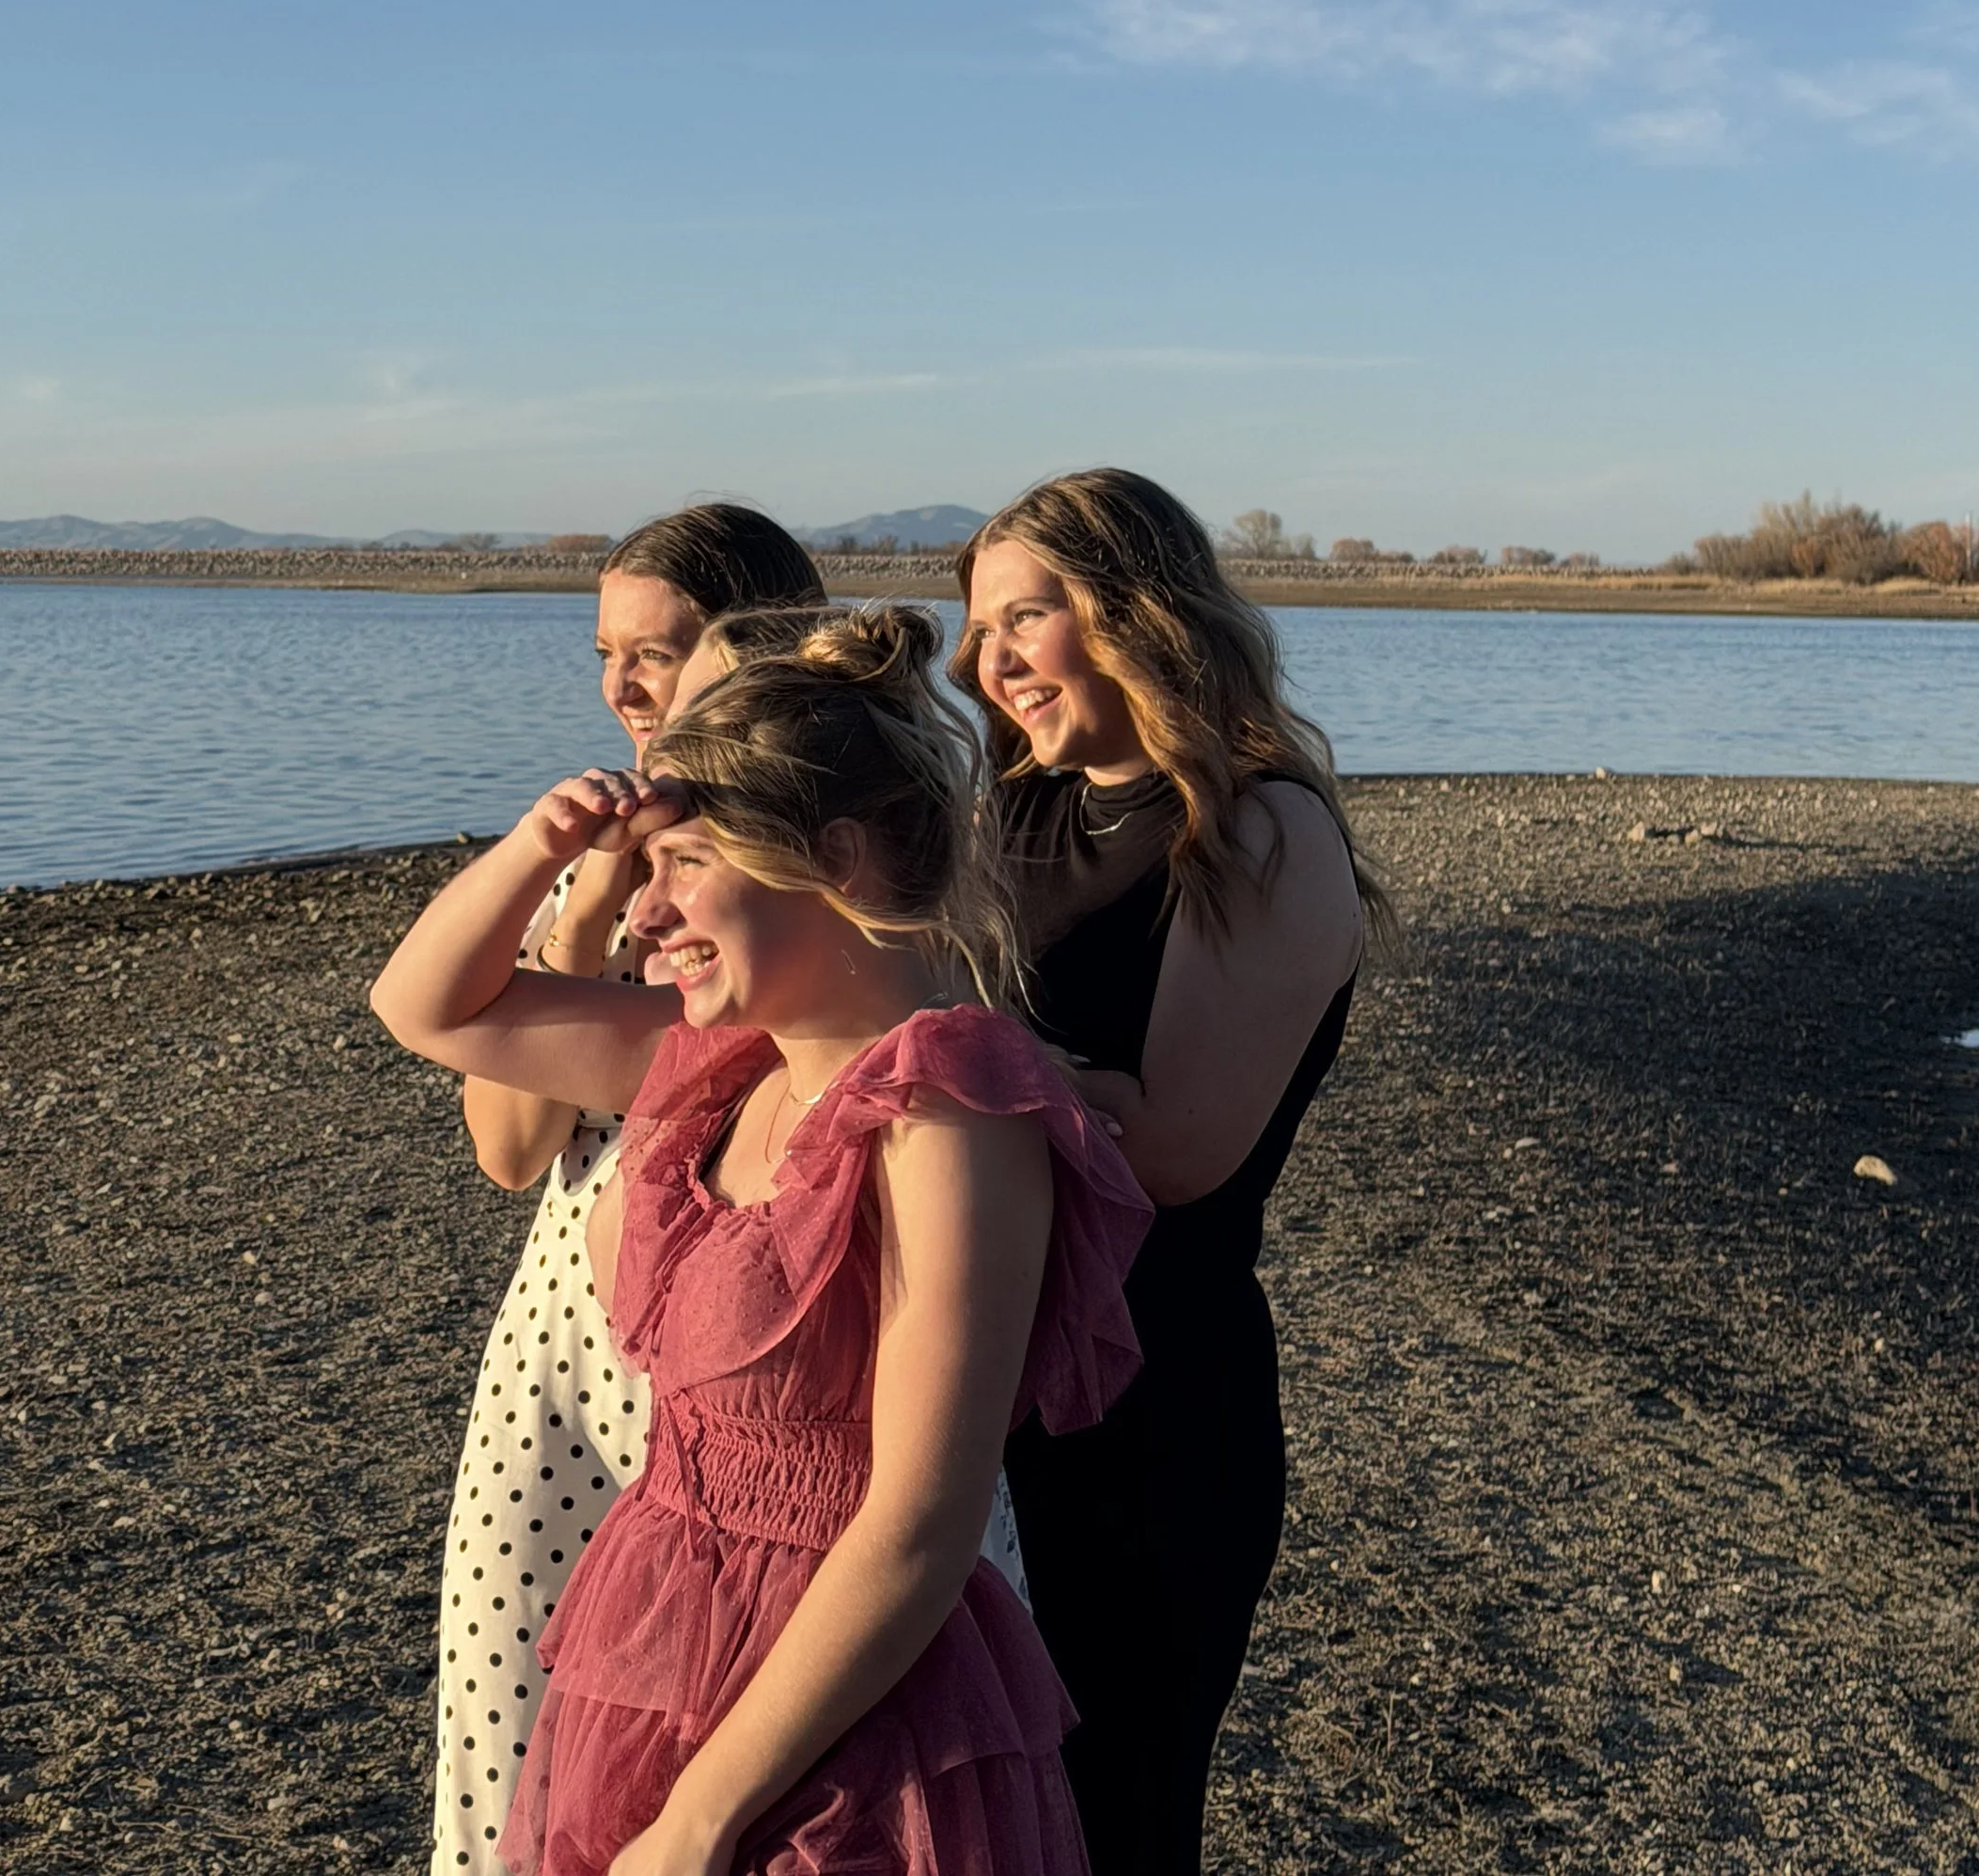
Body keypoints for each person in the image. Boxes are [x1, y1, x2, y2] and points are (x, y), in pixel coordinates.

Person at [371, 605, 1150, 1876]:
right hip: (657, 1646)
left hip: (845, 1718)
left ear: (833, 860)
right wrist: (547, 842)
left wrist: (699, 1820)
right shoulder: (715, 1073)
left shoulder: (947, 1121)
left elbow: (920, 1522)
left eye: (684, 866)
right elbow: (425, 1007)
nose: (640, 919)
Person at [951, 471, 1395, 1876]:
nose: (995, 658)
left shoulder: (1258, 830)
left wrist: (927, 1057)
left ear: (1142, 614)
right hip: (966, 1384)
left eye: (1033, 615)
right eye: (980, 628)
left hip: (1152, 1408)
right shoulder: (1002, 815)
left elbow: (1178, 1146)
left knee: (1115, 1822)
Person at [432, 506, 823, 1876]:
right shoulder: (617, 842)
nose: (623, 685)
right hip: (564, 1343)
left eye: (657, 651)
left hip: (743, 1349)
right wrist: (592, 889)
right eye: (606, 652)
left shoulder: (808, 842)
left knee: (720, 1729)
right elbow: (510, 1145)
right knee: (513, 1711)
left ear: (759, 648)